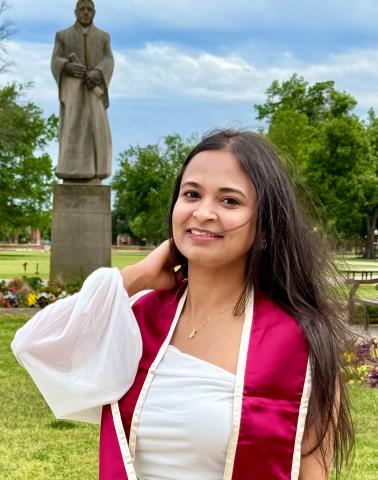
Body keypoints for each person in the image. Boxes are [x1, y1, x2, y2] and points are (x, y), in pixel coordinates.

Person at [12, 130, 354, 479]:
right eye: (191, 194)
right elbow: (34, 345)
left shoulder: (299, 345)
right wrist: (135, 277)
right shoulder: (140, 318)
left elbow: (312, 471)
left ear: (265, 226)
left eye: (230, 201)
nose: (203, 212)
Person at [51, 0, 114, 181]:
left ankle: (97, 170)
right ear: (75, 12)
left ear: (94, 12)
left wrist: (98, 72)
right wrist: (67, 67)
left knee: (97, 128)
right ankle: (70, 169)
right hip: (72, 91)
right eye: (82, 9)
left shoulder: (103, 37)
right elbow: (56, 60)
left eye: (89, 10)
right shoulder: (63, 35)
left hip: (94, 90)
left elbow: (109, 60)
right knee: (73, 127)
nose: (86, 13)